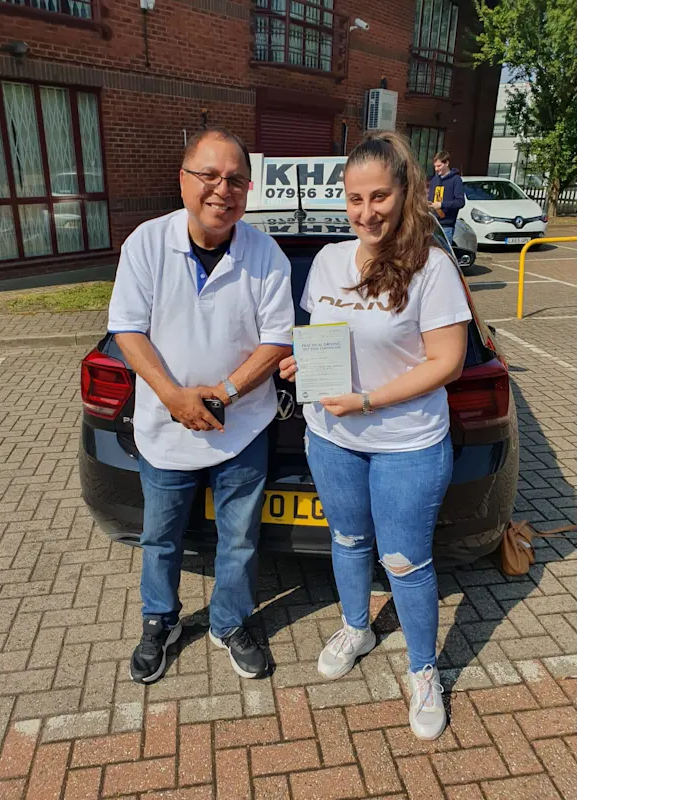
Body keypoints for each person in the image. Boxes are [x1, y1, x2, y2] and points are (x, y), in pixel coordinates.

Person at [278, 132, 472, 740]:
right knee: (348, 538)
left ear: (404, 191)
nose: (366, 212)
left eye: (379, 196)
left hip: (406, 442)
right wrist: (298, 365)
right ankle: (357, 627)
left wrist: (366, 399)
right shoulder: (332, 261)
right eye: (355, 198)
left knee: (406, 559)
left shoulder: (432, 267)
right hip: (332, 436)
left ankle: (423, 670)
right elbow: (322, 340)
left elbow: (448, 362)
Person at [107, 126, 294, 684]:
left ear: (249, 188)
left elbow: (278, 339)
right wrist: (173, 396)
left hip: (242, 429)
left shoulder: (265, 252)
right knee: (161, 538)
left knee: (239, 537)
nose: (222, 189)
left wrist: (229, 391)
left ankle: (231, 622)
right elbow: (126, 330)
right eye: (209, 175)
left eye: (236, 179)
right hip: (166, 429)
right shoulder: (145, 243)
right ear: (183, 179)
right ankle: (160, 621)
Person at [427, 150, 465, 245]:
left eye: (439, 166)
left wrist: (442, 205)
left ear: (447, 163)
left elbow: (460, 202)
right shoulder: (434, 180)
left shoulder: (456, 180)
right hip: (433, 225)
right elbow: (431, 199)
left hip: (446, 226)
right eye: (435, 166)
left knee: (445, 253)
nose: (436, 169)